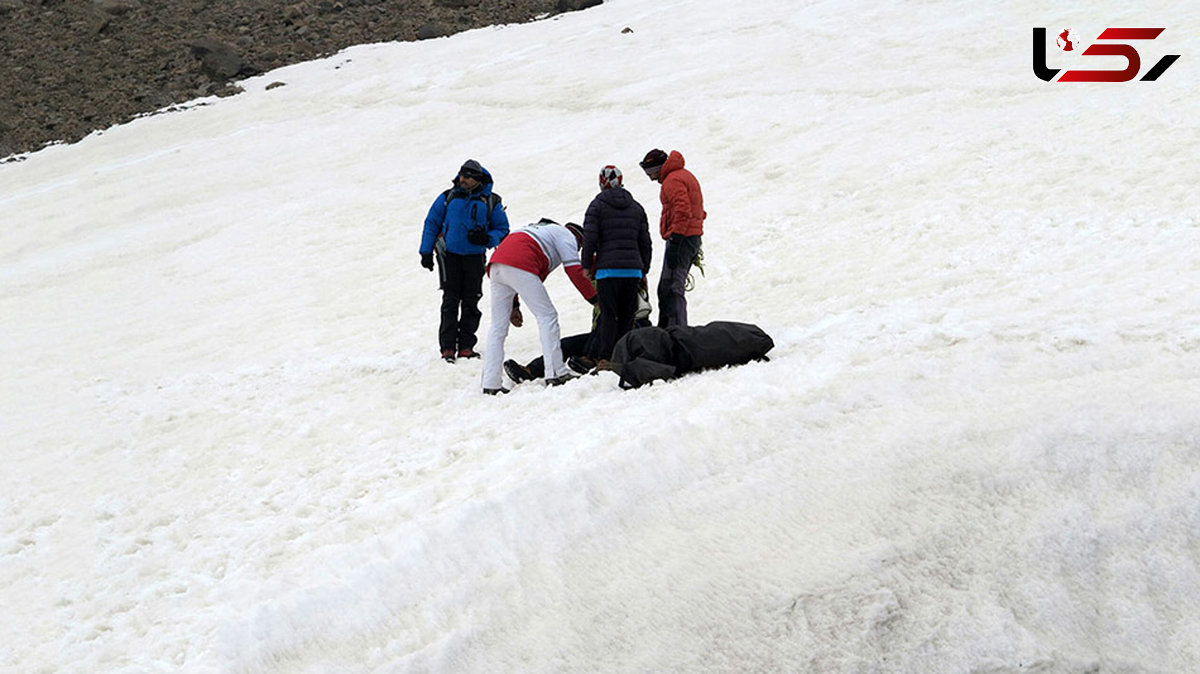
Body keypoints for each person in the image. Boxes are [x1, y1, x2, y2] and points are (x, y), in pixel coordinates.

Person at [480, 219, 597, 394]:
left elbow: (523, 279)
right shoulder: (566, 235)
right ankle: (556, 373)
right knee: (547, 316)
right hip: (520, 264)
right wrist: (595, 299)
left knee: (498, 327)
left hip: (497, 265)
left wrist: (515, 305)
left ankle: (491, 383)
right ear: (578, 239)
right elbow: (574, 270)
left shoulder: (541, 232)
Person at [418, 159, 510, 363]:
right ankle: (448, 348)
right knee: (450, 301)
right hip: (449, 257)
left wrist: (487, 239)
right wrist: (426, 251)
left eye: (468, 176)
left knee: (471, 300)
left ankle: (467, 346)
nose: (463, 179)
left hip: (475, 258)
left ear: (477, 180)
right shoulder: (447, 197)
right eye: (461, 175)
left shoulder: (492, 201)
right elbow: (431, 223)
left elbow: (502, 230)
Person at [579, 165, 652, 365]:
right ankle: (624, 356)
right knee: (628, 315)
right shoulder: (636, 207)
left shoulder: (596, 206)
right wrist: (644, 269)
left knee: (609, 315)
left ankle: (605, 357)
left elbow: (590, 239)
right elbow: (645, 241)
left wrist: (586, 265)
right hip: (632, 271)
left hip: (607, 272)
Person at [638, 148, 706, 328]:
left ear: (658, 167)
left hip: (682, 238)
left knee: (671, 288)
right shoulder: (682, 175)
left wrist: (676, 238)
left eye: (650, 172)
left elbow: (683, 210)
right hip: (690, 236)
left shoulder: (672, 180)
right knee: (668, 287)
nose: (650, 177)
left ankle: (676, 332)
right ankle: (670, 329)